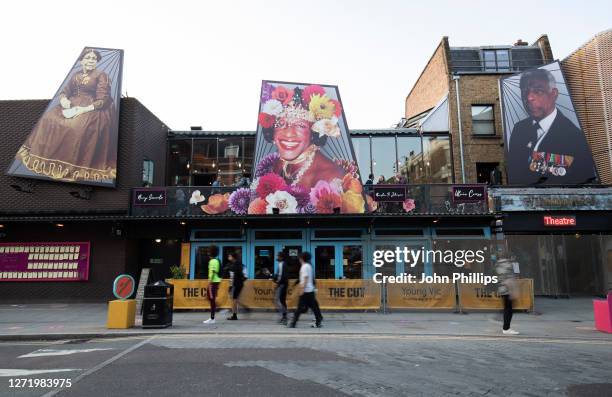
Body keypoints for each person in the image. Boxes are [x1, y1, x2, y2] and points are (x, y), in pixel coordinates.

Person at [14, 48, 118, 183]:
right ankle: (47, 159)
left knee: (76, 126)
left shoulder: (101, 75)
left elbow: (103, 99)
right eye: (88, 58)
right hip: (71, 103)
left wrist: (83, 109)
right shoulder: (76, 74)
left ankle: (70, 166)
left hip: (92, 107)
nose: (91, 60)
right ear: (81, 60)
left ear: (97, 61)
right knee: (48, 118)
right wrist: (64, 100)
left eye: (94, 58)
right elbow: (65, 91)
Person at [507, 68, 597, 185]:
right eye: (525, 91)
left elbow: (584, 179)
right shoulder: (519, 129)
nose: (529, 98)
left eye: (538, 91)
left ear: (554, 94)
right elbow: (514, 174)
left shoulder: (574, 135)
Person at [257, 85, 347, 191]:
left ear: (314, 132)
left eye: (300, 125)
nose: (289, 134)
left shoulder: (332, 178)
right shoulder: (275, 167)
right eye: (280, 124)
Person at [288, 252, 323, 328]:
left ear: (302, 258)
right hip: (310, 290)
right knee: (314, 306)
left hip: (306, 290)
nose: (299, 259)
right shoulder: (309, 266)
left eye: (299, 258)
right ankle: (319, 319)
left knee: (300, 307)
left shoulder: (304, 266)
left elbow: (305, 278)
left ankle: (293, 323)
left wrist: (302, 289)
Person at [495, 254, 520, 335]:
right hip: (508, 290)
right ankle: (506, 328)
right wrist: (513, 290)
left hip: (502, 289)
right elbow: (509, 278)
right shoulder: (508, 264)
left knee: (507, 308)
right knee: (509, 309)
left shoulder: (497, 264)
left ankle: (504, 324)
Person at [203, 245, 222, 325]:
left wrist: (210, 281)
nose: (208, 252)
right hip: (216, 281)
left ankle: (212, 318)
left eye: (209, 251)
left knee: (211, 299)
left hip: (213, 282)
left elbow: (213, 272)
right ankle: (215, 312)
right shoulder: (217, 260)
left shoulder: (212, 261)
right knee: (210, 298)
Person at [226, 252, 246, 320]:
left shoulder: (234, 265)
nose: (228, 257)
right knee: (235, 299)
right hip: (239, 284)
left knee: (234, 299)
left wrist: (230, 286)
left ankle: (234, 315)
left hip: (236, 284)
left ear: (233, 257)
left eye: (229, 256)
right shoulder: (238, 264)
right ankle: (236, 313)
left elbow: (232, 277)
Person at [272, 251, 289, 324]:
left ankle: (284, 317)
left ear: (281, 257)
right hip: (282, 284)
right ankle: (284, 316)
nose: (277, 257)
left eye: (278, 256)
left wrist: (277, 284)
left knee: (278, 300)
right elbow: (279, 275)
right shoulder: (281, 264)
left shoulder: (282, 264)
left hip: (282, 285)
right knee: (281, 301)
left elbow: (282, 276)